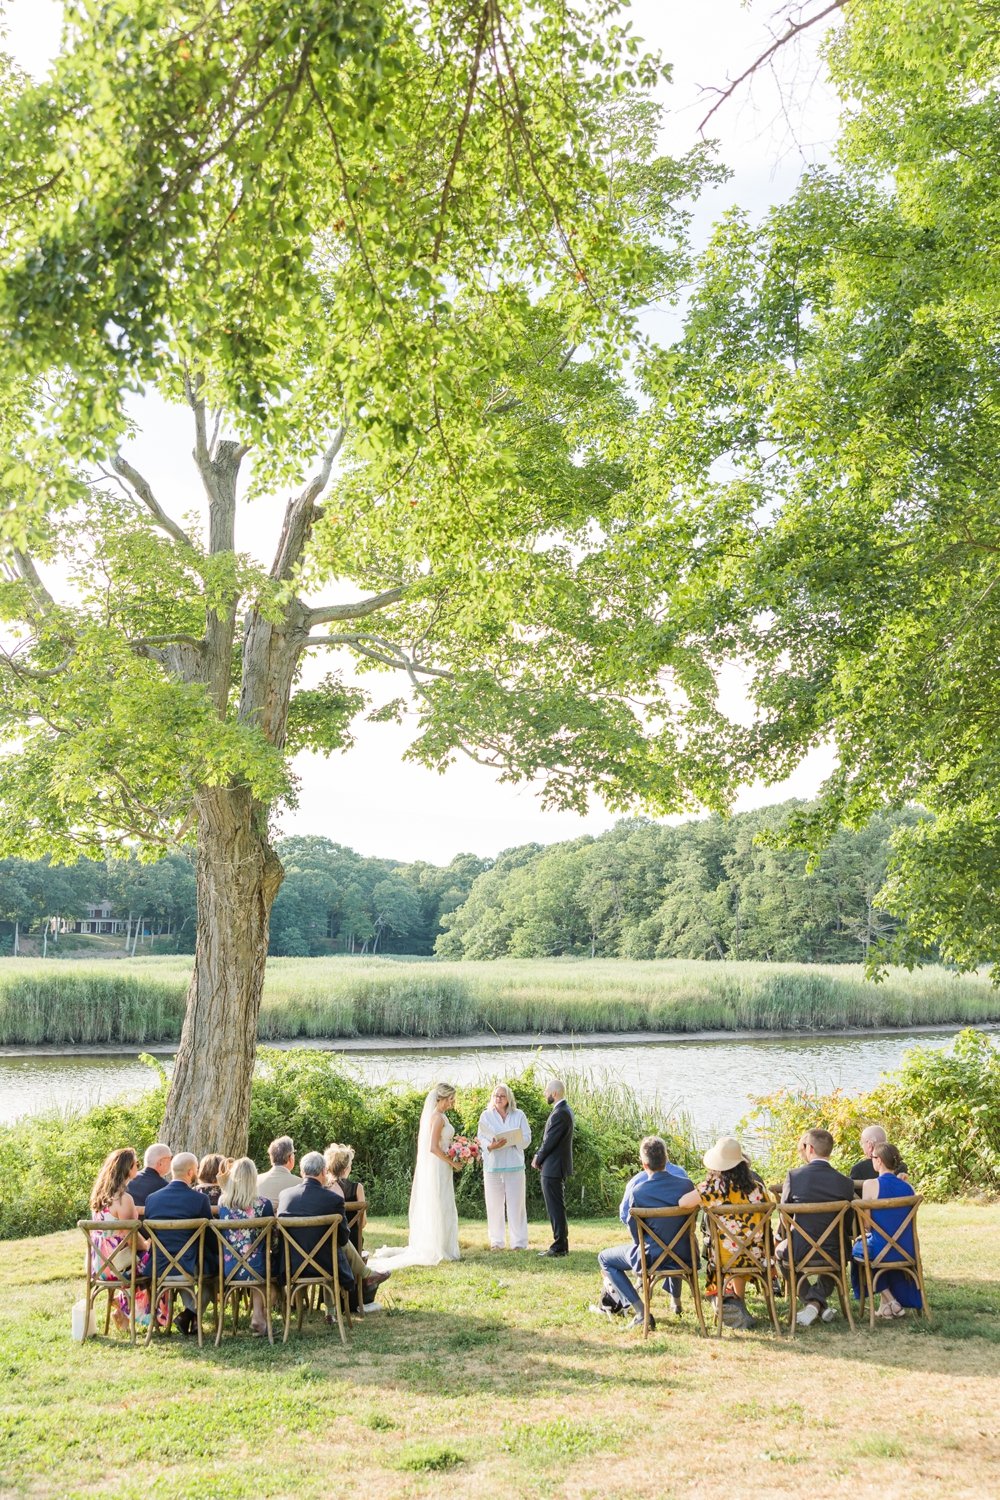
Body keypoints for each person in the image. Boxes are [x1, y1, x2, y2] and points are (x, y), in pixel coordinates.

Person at [598, 1136, 694, 1331]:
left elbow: (636, 1234)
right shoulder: (687, 1185)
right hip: (685, 1254)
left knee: (605, 1258)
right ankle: (676, 1301)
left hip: (651, 1256)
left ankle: (642, 1312)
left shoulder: (638, 1191)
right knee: (672, 1239)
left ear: (644, 1164)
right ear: (667, 1158)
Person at [679, 1136, 771, 1330]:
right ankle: (739, 1303)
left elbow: (683, 1203)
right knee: (740, 1247)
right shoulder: (758, 1188)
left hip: (724, 1257)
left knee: (730, 1250)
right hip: (756, 1255)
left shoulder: (712, 1189)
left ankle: (733, 1304)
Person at [368, 1083, 462, 1270]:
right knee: (439, 1202)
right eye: (450, 1099)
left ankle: (444, 1244)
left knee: (444, 1202)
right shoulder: (437, 1118)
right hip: (439, 1165)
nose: (452, 1103)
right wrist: (452, 1162)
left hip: (443, 1165)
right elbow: (433, 1147)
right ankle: (438, 1247)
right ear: (441, 1099)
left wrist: (456, 1151)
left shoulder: (442, 1116)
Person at [778, 1128, 855, 1327]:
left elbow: (784, 1217)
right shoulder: (845, 1182)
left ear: (810, 1148)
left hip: (801, 1250)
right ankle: (818, 1303)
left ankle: (811, 1302)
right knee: (839, 1256)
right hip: (835, 1250)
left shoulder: (794, 1176)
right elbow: (848, 1225)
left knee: (780, 1252)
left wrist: (784, 1236)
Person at [144, 1152, 216, 1335]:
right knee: (212, 1274)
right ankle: (191, 1315)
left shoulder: (152, 1199)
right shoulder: (199, 1200)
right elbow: (210, 1238)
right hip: (190, 1266)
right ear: (191, 1172)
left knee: (187, 1263)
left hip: (158, 1266)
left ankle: (188, 1315)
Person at [851, 1141, 924, 1318]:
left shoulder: (870, 1185)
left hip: (881, 1249)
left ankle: (890, 1300)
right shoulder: (909, 1187)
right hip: (907, 1250)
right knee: (877, 1248)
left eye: (873, 1157)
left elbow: (867, 1225)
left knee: (857, 1252)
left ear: (880, 1161)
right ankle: (886, 1306)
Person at [277, 1152, 357, 1306]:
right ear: (323, 1172)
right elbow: (343, 1238)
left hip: (292, 1265)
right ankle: (332, 1311)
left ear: (302, 1172)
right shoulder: (334, 1200)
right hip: (327, 1266)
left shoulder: (285, 1196)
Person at [88, 1147, 150, 1331]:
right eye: (136, 1164)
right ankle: (126, 1309)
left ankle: (122, 1309)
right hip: (120, 1266)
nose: (137, 1167)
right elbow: (131, 1238)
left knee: (145, 1260)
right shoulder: (124, 1199)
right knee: (157, 1263)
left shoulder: (99, 1199)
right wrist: (147, 1245)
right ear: (128, 1169)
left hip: (99, 1266)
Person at [217, 1157, 274, 1336]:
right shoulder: (263, 1204)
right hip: (258, 1266)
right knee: (272, 1278)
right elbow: (272, 1238)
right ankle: (259, 1316)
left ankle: (258, 1317)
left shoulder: (222, 1204)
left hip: (230, 1267)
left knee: (256, 1265)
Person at [476, 1082, 532, 1251]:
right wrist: (491, 1146)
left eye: (502, 1096)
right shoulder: (486, 1115)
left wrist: (514, 1141)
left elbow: (527, 1138)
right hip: (493, 1166)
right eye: (496, 1096)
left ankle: (519, 1243)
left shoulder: (519, 1114)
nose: (498, 1099)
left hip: (514, 1165)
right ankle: (496, 1242)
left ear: (508, 1098)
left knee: (516, 1205)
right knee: (494, 1206)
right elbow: (481, 1138)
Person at [532, 1078, 574, 1257]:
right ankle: (560, 1244)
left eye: (546, 1091)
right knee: (556, 1206)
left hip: (553, 1167)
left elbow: (549, 1141)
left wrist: (537, 1158)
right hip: (555, 1166)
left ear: (554, 1093)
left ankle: (559, 1246)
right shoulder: (564, 1111)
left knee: (555, 1207)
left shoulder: (560, 1113)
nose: (544, 1094)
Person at [323, 1143, 367, 1252]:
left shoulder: (323, 1188)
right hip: (353, 1244)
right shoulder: (357, 1188)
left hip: (329, 1244)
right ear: (347, 1168)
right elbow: (363, 1223)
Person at [850, 1125, 908, 1189]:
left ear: (870, 1145)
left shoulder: (858, 1170)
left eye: (862, 1143)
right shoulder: (900, 1166)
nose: (862, 1147)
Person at [129, 1142, 172, 1213]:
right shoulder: (165, 1187)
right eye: (170, 1158)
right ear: (161, 1162)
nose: (171, 1162)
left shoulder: (127, 1181)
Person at [257, 1136, 301, 1206]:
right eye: (294, 1153)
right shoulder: (300, 1185)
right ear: (290, 1157)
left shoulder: (255, 1181)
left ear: (271, 1158)